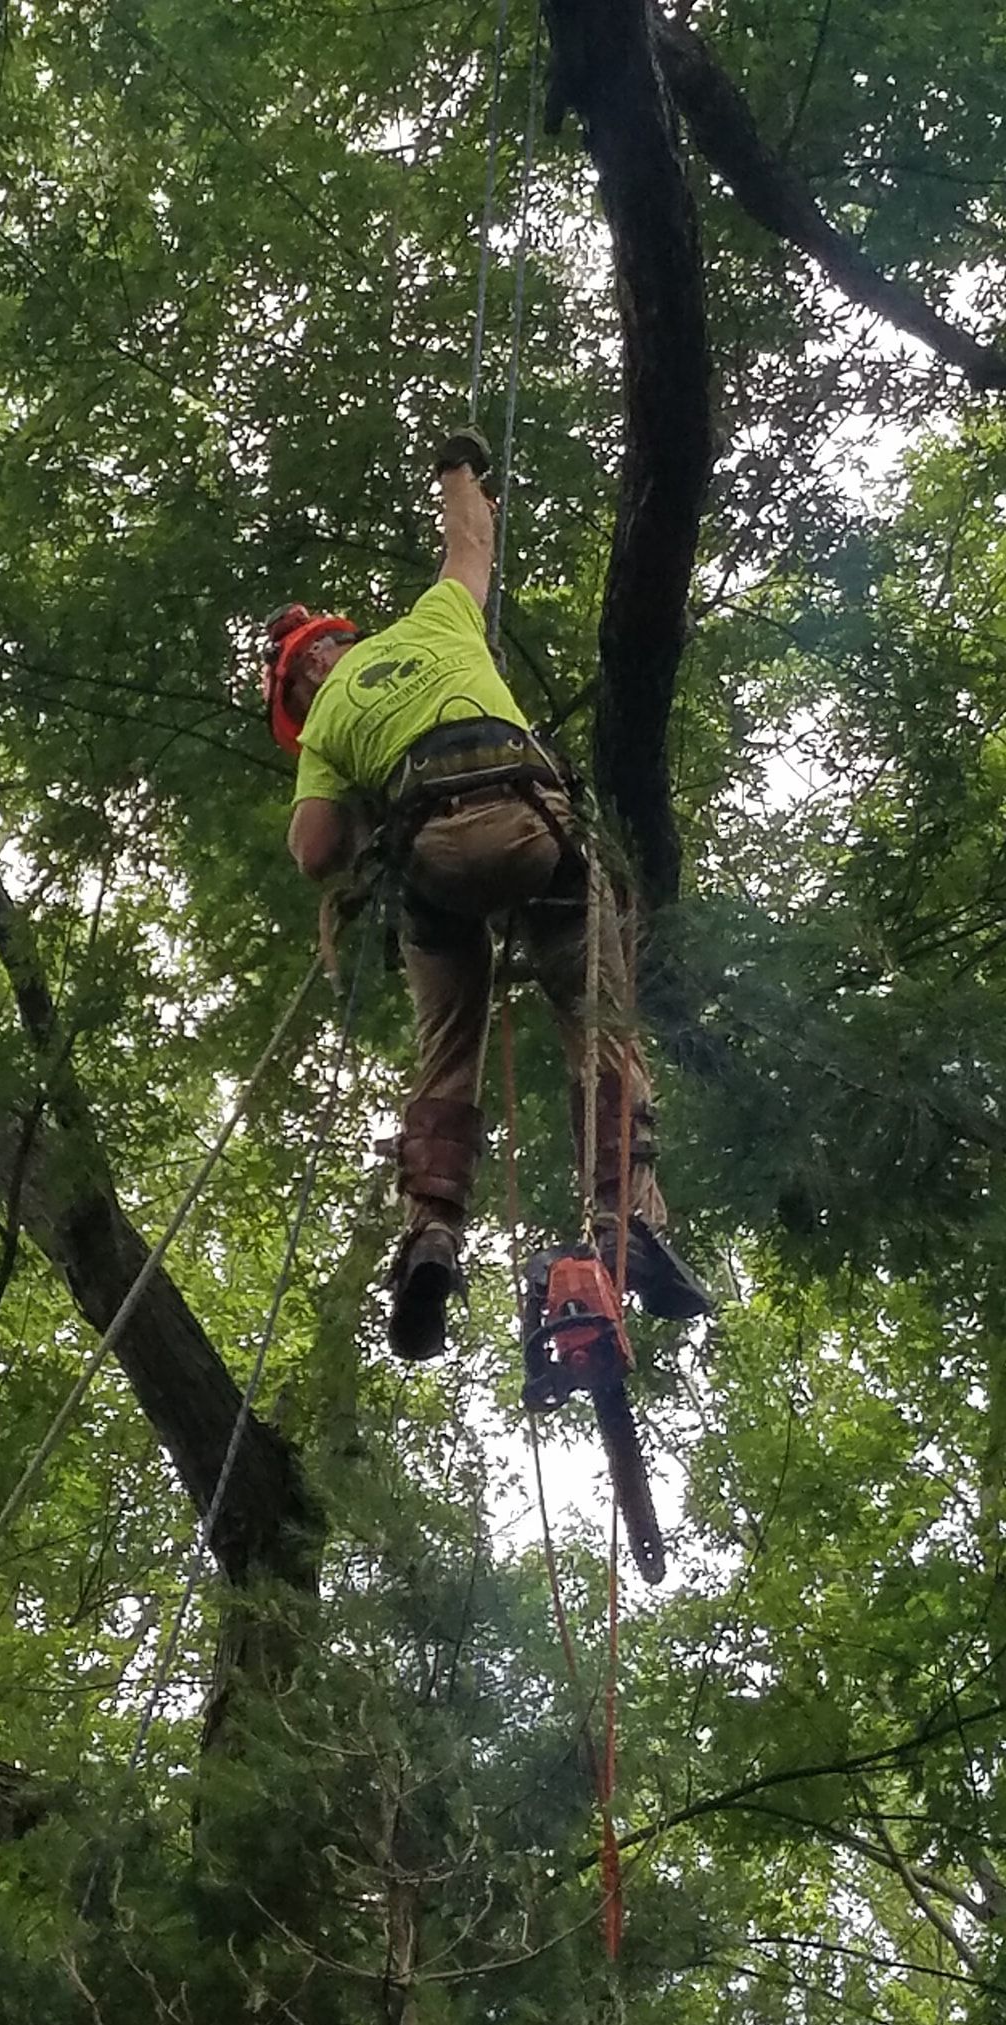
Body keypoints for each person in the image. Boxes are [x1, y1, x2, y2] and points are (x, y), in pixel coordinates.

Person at [262, 428, 710, 1360]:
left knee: (447, 1048)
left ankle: (431, 1231)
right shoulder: (433, 623)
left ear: (302, 688)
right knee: (598, 1023)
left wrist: (346, 802)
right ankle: (628, 1216)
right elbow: (472, 546)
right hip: (536, 834)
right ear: (340, 643)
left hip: (435, 864)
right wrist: (457, 470)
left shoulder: (323, 733)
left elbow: (314, 856)